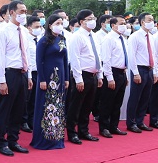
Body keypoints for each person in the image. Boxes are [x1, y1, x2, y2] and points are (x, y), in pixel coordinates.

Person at [0, 0, 33, 155]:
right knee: (5, 109)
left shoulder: (23, 31)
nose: (24, 14)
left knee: (19, 108)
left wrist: (28, 74)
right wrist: (1, 81)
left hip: (22, 73)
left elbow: (27, 54)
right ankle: (1, 142)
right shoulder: (3, 31)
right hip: (9, 73)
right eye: (21, 11)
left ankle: (13, 140)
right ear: (11, 13)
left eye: (25, 11)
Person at [30, 14, 69, 150]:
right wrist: (42, 79)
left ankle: (56, 138)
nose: (60, 25)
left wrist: (67, 79)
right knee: (46, 105)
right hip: (48, 76)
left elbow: (65, 59)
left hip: (61, 76)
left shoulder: (62, 39)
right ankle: (43, 138)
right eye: (57, 23)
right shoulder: (44, 40)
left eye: (61, 23)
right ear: (50, 25)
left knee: (58, 105)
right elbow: (38, 61)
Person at [65, 9, 102, 144]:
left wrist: (100, 74)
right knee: (76, 105)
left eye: (94, 17)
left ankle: (83, 131)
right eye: (89, 19)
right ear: (81, 22)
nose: (93, 21)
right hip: (82, 75)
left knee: (88, 105)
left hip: (93, 75)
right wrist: (78, 79)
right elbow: (75, 59)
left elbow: (98, 56)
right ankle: (72, 132)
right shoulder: (77, 36)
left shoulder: (94, 36)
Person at [126, 13, 158, 133]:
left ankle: (140, 121)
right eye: (149, 20)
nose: (152, 21)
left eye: (153, 19)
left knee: (145, 97)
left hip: (149, 69)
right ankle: (131, 122)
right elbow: (132, 56)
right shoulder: (134, 37)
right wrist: (135, 73)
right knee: (135, 97)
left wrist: (156, 72)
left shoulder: (151, 37)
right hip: (139, 69)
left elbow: (154, 55)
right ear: (142, 22)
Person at [98, 16, 129, 138]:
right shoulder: (109, 39)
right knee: (107, 101)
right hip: (112, 72)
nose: (124, 25)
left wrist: (125, 75)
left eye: (125, 23)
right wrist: (110, 78)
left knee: (118, 101)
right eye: (121, 23)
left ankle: (114, 126)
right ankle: (104, 127)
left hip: (122, 72)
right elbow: (106, 60)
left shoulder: (123, 39)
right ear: (113, 25)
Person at [22, 15, 43, 133]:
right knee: (27, 98)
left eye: (40, 26)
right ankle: (24, 121)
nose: (39, 29)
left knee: (36, 98)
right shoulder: (25, 40)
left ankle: (34, 120)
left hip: (40, 73)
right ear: (29, 28)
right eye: (36, 27)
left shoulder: (40, 39)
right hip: (30, 72)